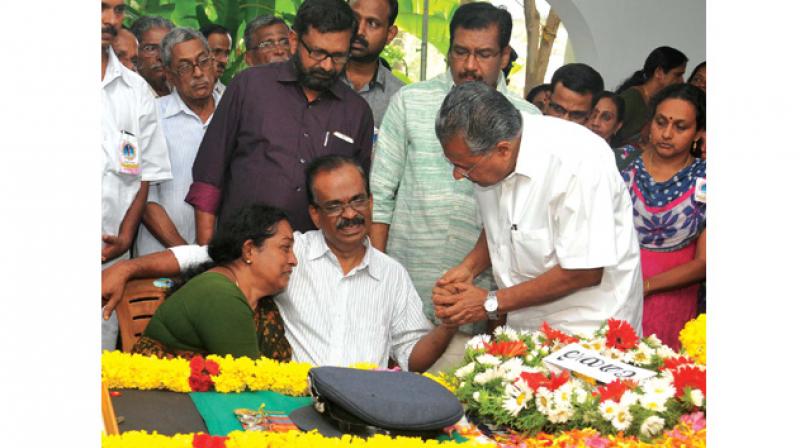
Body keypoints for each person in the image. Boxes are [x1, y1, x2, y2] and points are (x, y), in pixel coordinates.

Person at [104, 156, 456, 372]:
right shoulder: (287, 252)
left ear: (370, 202)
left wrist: (448, 324)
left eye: (357, 201)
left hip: (364, 412)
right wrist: (125, 268)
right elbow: (203, 255)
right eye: (334, 206)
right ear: (315, 215)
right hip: (292, 407)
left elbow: (411, 357)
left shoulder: (391, 274)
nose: (350, 214)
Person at [369, 2, 539, 372]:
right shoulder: (411, 103)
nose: (470, 66)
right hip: (403, 296)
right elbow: (380, 198)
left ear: (505, 55)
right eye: (461, 52)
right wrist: (378, 285)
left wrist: (495, 312)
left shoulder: (528, 120)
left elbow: (522, 221)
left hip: (478, 309)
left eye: (484, 54)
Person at [432, 82, 643, 337]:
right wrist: (468, 268)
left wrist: (491, 302)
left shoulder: (578, 162)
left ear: (502, 149)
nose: (457, 175)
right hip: (527, 320)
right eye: (452, 163)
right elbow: (503, 226)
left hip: (591, 327)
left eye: (464, 166)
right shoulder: (487, 158)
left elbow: (585, 270)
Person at [186, 0, 374, 243]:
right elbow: (208, 178)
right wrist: (207, 254)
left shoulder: (356, 112)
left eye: (338, 56)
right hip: (242, 253)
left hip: (315, 261)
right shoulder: (249, 87)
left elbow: (357, 199)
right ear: (294, 41)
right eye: (317, 53)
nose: (327, 65)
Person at [133, 204, 297, 360]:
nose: (293, 260)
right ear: (249, 250)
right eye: (285, 248)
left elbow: (278, 373)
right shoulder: (219, 293)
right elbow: (246, 378)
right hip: (160, 388)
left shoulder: (264, 306)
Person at [102, 0, 172, 350]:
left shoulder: (135, 90)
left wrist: (127, 236)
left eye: (117, 11)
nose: (110, 20)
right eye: (100, 8)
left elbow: (145, 173)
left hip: (107, 258)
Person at [620, 83, 706, 351]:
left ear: (698, 133)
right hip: (613, 288)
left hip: (673, 297)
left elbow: (705, 262)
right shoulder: (619, 163)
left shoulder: (706, 179)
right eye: (661, 122)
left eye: (680, 127)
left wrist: (646, 285)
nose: (667, 134)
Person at [135, 28, 221, 256]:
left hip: (226, 261)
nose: (198, 72)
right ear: (169, 75)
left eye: (203, 61)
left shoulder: (235, 112)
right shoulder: (151, 117)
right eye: (184, 67)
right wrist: (188, 255)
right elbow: (143, 198)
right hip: (161, 256)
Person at [342, 0, 404, 127]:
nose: (359, 31)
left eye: (373, 24)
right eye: (354, 19)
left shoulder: (401, 98)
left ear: (390, 34)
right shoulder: (318, 78)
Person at [614, 46, 687, 147]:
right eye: (677, 75)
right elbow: (607, 132)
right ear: (659, 73)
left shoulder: (662, 102)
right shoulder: (631, 98)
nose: (682, 81)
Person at [587, 90, 642, 171]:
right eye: (593, 114)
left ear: (618, 126)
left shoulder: (625, 160)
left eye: (606, 117)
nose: (595, 123)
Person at [131, 16, 175, 97]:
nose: (160, 57)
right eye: (150, 49)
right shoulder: (129, 94)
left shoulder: (179, 88)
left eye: (167, 47)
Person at [200, 24, 232, 96]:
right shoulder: (180, 92)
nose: (224, 60)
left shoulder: (229, 97)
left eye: (227, 53)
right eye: (216, 52)